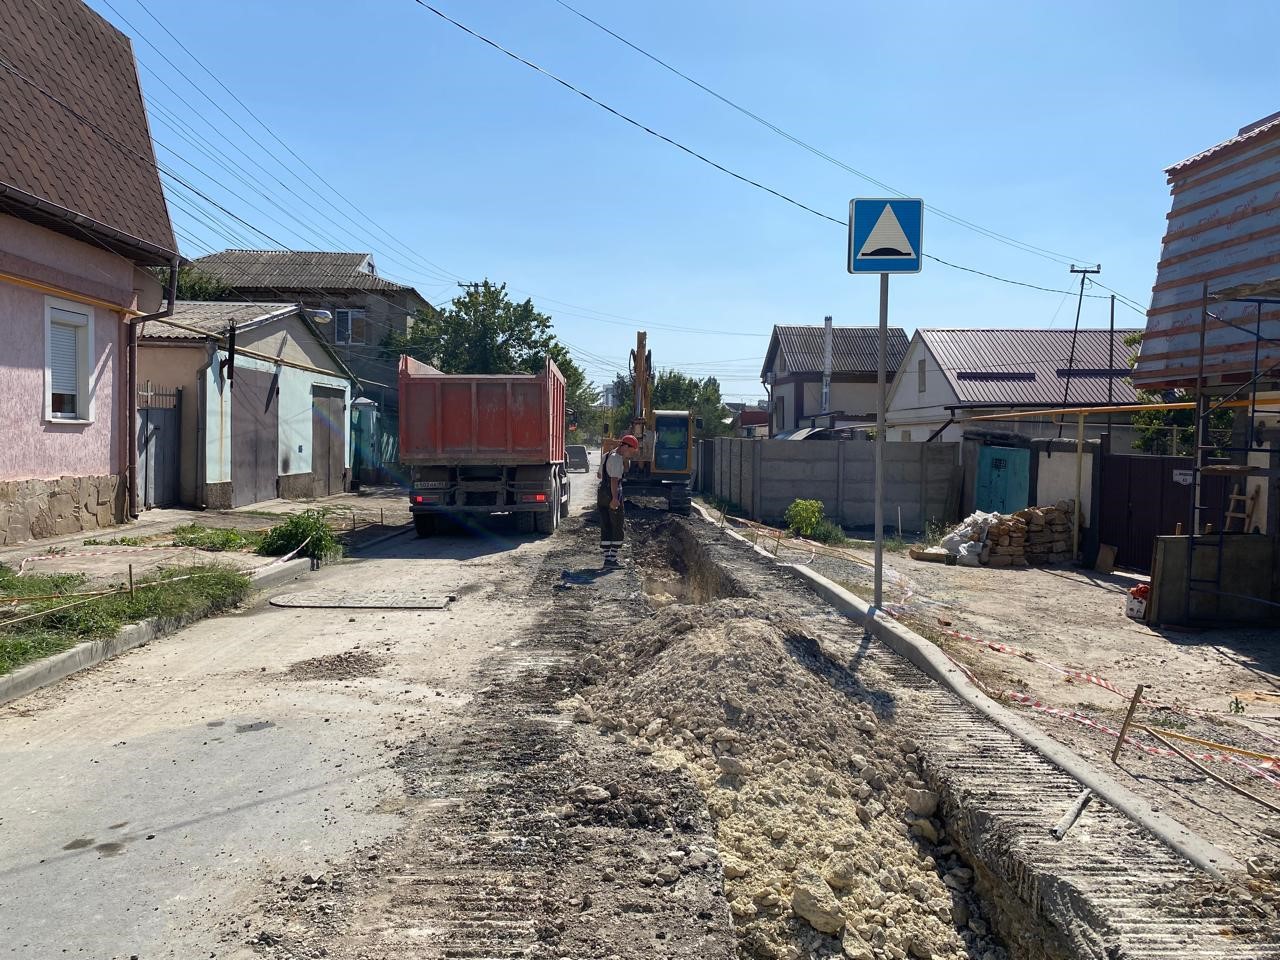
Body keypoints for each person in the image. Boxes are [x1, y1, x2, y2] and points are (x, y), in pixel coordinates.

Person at [598, 434, 639, 567]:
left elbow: (599, 474)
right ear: (625, 446)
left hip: (602, 494)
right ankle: (612, 559)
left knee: (606, 524)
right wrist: (615, 498)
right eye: (631, 451)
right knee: (617, 524)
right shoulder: (616, 458)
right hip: (612, 494)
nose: (631, 454)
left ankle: (607, 559)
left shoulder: (607, 455)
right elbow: (614, 480)